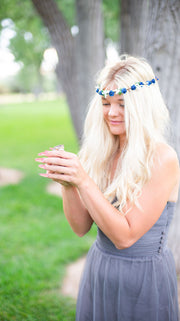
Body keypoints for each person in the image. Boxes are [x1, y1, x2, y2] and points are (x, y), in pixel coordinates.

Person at [36, 55, 180, 321]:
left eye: (122, 105)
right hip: (100, 267)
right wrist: (69, 184)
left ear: (142, 107)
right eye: (106, 103)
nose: (111, 113)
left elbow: (125, 238)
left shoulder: (162, 158)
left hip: (142, 278)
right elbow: (80, 229)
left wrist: (83, 180)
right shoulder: (102, 151)